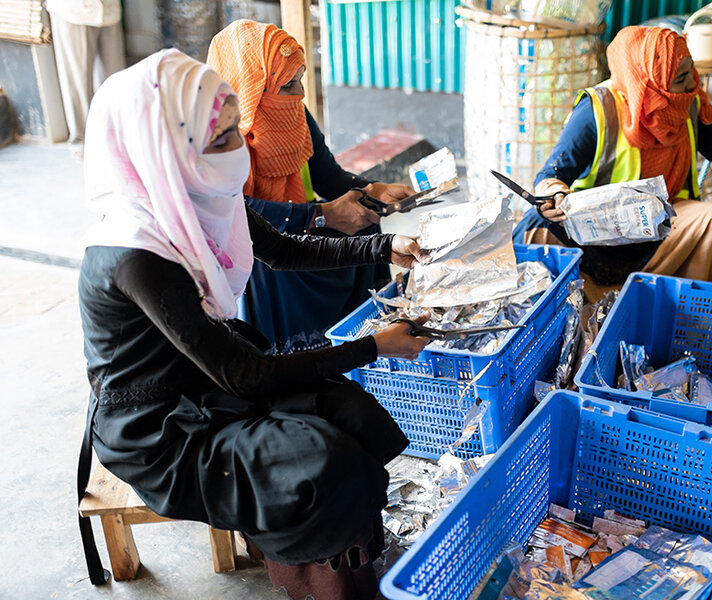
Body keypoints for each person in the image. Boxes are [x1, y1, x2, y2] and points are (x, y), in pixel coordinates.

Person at [75, 48, 430, 600]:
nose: (233, 150)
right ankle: (325, 583)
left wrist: (387, 244)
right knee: (322, 465)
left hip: (208, 383)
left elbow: (285, 251)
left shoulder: (196, 195)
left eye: (231, 132)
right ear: (165, 145)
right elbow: (247, 375)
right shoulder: (136, 254)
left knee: (351, 410)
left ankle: (330, 559)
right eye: (216, 139)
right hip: (158, 428)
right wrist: (374, 347)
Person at [513, 26, 712, 300]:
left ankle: (695, 315)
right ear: (651, 80)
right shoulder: (598, 109)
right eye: (681, 78)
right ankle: (580, 312)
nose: (694, 83)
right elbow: (552, 173)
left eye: (690, 70)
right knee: (536, 230)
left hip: (657, 227)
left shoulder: (688, 105)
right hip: (596, 239)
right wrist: (555, 194)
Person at [207, 20, 415, 352]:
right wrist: (322, 214)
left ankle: (372, 337)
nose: (299, 94)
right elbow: (235, 214)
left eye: (300, 81)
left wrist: (374, 192)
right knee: (267, 264)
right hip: (261, 246)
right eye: (287, 85)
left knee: (365, 228)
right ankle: (309, 359)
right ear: (251, 88)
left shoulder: (296, 114)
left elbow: (329, 177)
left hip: (300, 224)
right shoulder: (223, 139)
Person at [47, 0, 125, 149]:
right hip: (73, 10)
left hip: (109, 10)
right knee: (78, 80)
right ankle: (82, 142)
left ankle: (117, 139)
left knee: (115, 79)